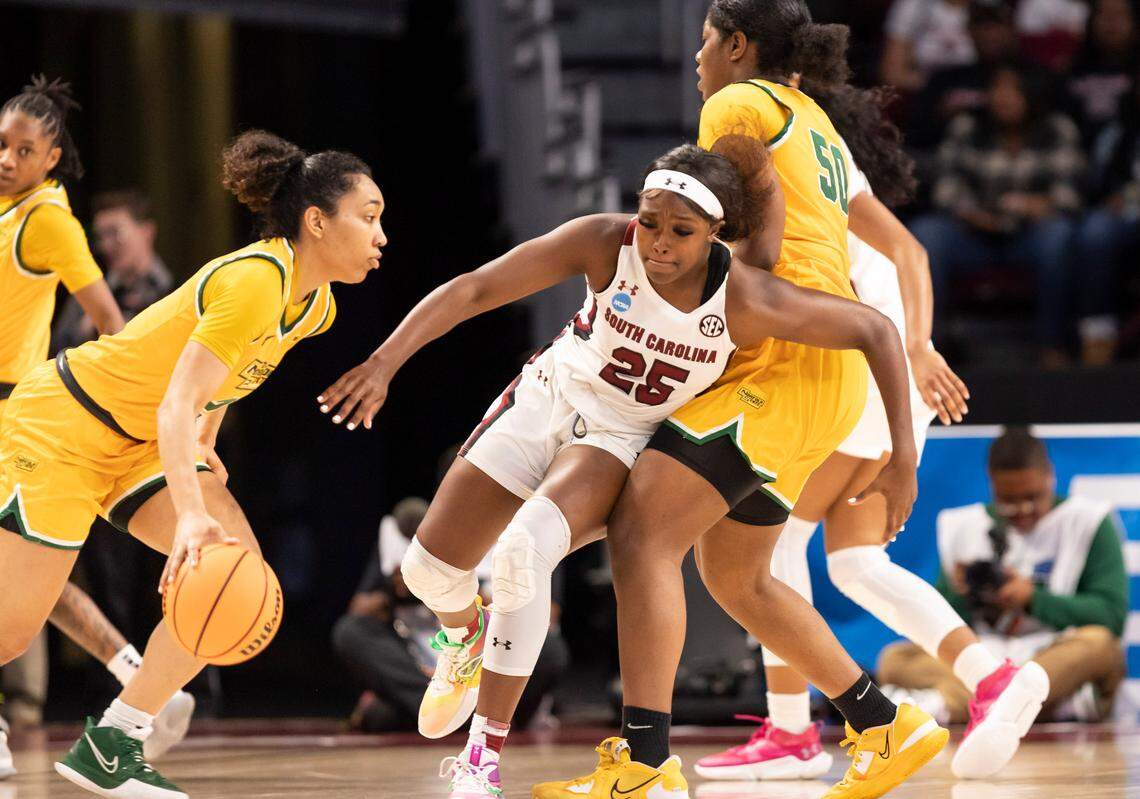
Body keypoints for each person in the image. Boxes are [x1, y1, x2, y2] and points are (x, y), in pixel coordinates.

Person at [318, 125, 926, 797]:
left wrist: (904, 455)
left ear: (715, 234)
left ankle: (480, 759)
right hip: (543, 401)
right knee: (427, 571)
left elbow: (874, 328)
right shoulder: (606, 240)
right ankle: (463, 636)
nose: (659, 242)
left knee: (524, 554)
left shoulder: (745, 298)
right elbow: (474, 289)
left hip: (612, 439)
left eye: (681, 231)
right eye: (651, 221)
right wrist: (383, 363)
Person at [534, 4, 951, 798]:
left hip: (781, 358)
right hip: (826, 372)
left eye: (703, 41)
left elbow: (757, 242)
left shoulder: (736, 103)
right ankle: (884, 725)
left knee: (643, 531)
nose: (696, 58)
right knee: (738, 575)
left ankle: (646, 766)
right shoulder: (812, 116)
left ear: (737, 45)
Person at [0, 127, 385, 799]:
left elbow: (226, 380)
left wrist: (205, 444)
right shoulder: (254, 281)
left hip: (139, 443)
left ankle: (113, 741)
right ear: (317, 222)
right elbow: (176, 402)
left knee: (231, 580)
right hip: (63, 423)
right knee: (10, 634)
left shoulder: (315, 305)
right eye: (371, 215)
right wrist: (188, 515)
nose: (382, 235)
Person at [694, 77, 1048, 785]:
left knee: (774, 539)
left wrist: (913, 347)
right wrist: (915, 347)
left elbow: (908, 255)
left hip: (858, 368)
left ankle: (792, 729)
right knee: (854, 563)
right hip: (887, 373)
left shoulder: (790, 153)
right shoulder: (830, 165)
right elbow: (909, 255)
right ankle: (992, 675)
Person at [878, 427, 1127, 724]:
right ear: (992, 484)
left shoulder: (1089, 521)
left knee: (1100, 645)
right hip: (984, 657)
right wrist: (960, 593)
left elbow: (1111, 615)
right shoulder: (963, 526)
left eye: (1033, 497)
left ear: (1050, 476)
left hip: (1053, 657)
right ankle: (1011, 708)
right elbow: (939, 629)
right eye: (1009, 500)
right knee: (893, 659)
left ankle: (966, 703)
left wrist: (1033, 598)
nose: (1023, 510)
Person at [332, 497, 569, 732]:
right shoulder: (402, 535)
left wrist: (467, 590)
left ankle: (453, 714)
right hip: (419, 661)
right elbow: (359, 608)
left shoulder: (522, 535)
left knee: (549, 649)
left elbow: (546, 617)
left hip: (484, 658)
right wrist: (397, 589)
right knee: (351, 631)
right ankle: (458, 712)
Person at [909, 64, 1085, 365]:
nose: (1002, 97)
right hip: (973, 234)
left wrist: (1036, 204)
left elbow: (1072, 194)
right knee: (927, 232)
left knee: (1059, 235)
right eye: (997, 89)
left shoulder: (1056, 129)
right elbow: (946, 189)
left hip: (1030, 235)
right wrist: (973, 213)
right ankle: (926, 347)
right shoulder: (968, 128)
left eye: (1012, 89)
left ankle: (1051, 344)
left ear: (1032, 94)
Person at [54, 188, 173, 351]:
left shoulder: (177, 289)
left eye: (115, 232)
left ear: (147, 231)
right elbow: (56, 350)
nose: (106, 245)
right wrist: (87, 330)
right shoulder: (90, 293)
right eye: (100, 236)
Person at [880, 0, 976, 93]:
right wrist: (939, 90)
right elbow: (892, 73)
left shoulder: (986, 6)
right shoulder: (914, 4)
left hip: (974, 91)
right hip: (922, 95)